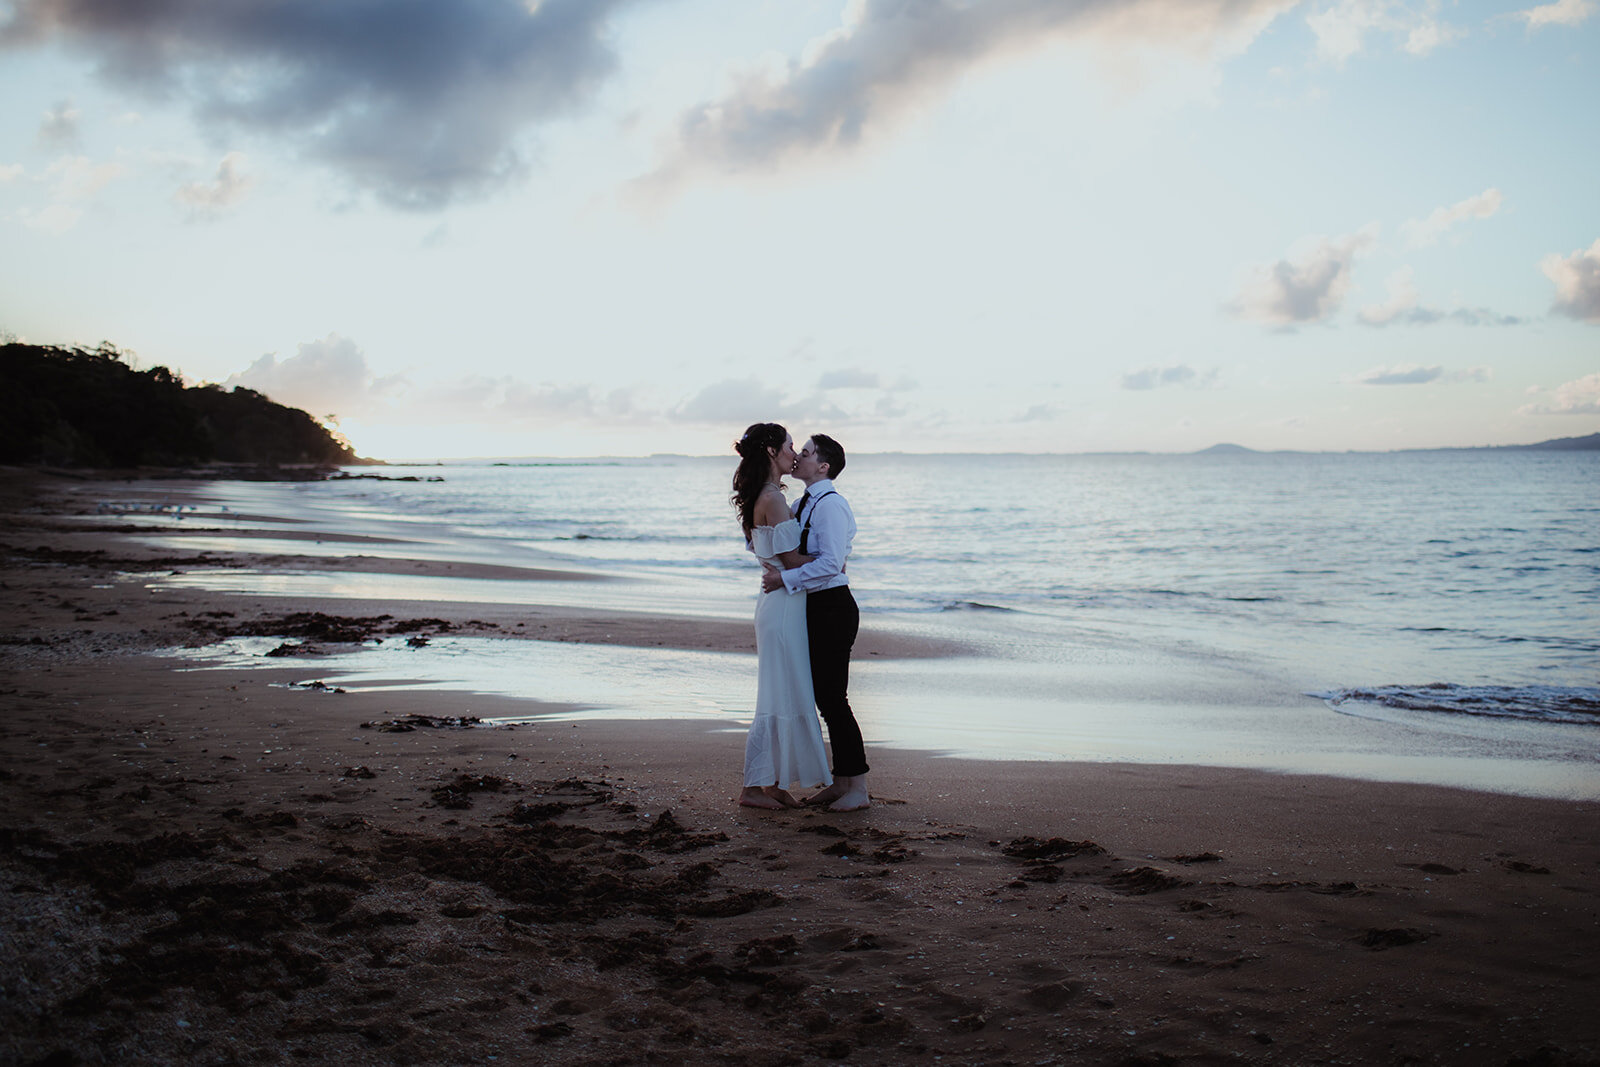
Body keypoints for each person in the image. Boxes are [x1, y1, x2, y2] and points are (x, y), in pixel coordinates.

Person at [762, 434, 870, 812]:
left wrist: (783, 579)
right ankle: (841, 783)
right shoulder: (802, 503)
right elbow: (779, 540)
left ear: (823, 466)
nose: (798, 458)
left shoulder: (831, 506)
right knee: (824, 698)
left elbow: (830, 563)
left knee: (834, 700)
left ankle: (857, 788)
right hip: (813, 605)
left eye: (805, 453)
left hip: (834, 608)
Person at [731, 423, 832, 810]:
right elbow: (791, 561)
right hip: (783, 605)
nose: (795, 453)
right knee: (777, 693)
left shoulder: (767, 495)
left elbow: (780, 559)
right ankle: (753, 788)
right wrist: (832, 558)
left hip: (780, 603)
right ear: (772, 452)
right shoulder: (772, 498)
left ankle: (770, 783)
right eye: (790, 446)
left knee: (784, 691)